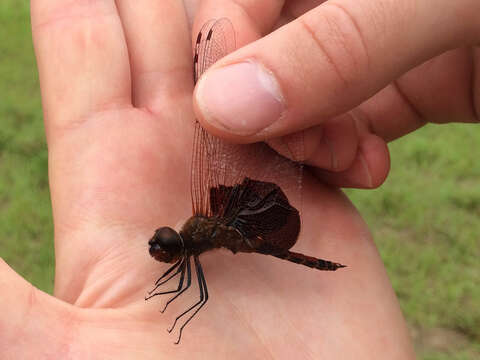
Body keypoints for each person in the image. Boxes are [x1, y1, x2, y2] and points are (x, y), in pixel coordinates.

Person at [1, 0, 477, 358]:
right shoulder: (195, 236)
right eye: (163, 247)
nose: (159, 251)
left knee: (197, 289)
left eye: (162, 248)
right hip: (248, 220)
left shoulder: (197, 241)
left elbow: (195, 292)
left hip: (258, 230)